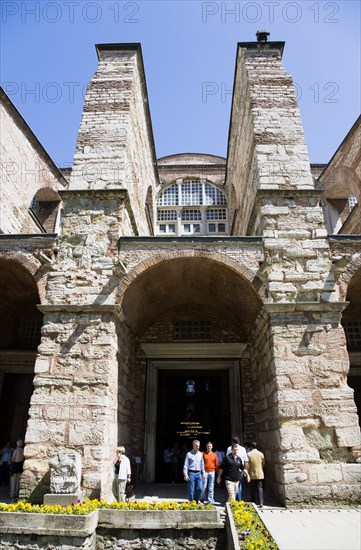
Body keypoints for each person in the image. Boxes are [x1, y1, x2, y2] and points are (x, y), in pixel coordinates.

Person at [226, 436, 249, 501]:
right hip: (240, 469)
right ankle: (238, 499)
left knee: (233, 485)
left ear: (232, 442)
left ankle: (235, 499)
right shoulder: (243, 449)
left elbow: (227, 459)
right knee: (239, 485)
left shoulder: (229, 448)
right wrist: (245, 470)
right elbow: (246, 461)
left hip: (232, 470)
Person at [247, 441, 265, 507]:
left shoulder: (249, 454)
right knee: (260, 487)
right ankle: (261, 502)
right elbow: (263, 463)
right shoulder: (261, 454)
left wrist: (247, 473)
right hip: (260, 473)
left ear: (251, 447)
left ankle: (253, 500)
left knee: (252, 488)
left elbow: (247, 465)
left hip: (252, 473)